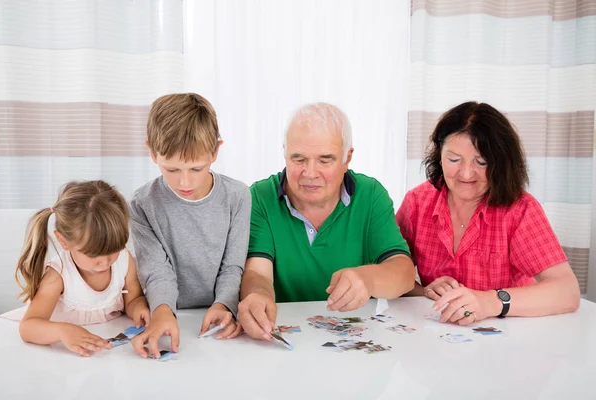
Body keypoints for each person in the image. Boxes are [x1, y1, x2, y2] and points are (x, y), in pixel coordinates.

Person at [239, 102, 415, 341]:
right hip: (284, 335)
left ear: (347, 157)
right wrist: (257, 295)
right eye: (298, 158)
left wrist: (367, 279)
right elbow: (257, 273)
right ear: (285, 152)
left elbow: (403, 273)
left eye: (325, 160)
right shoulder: (260, 196)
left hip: (356, 340)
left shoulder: (371, 195)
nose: (310, 173)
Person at [396, 101, 580, 325]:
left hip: (509, 340)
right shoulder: (418, 202)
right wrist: (423, 291)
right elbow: (391, 272)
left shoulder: (520, 209)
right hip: (437, 337)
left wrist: (489, 301)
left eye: (481, 161)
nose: (466, 173)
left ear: (501, 163)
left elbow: (567, 291)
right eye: (453, 159)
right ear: (439, 154)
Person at [130, 93, 251, 358]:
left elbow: (233, 266)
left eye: (196, 169)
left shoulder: (238, 196)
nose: (185, 182)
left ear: (215, 151)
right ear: (152, 152)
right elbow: (156, 269)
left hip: (218, 318)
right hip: (170, 313)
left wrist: (225, 304)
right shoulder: (142, 203)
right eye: (172, 170)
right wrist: (162, 310)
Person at [11, 180, 150, 357]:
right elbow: (28, 327)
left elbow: (133, 299)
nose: (105, 262)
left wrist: (139, 309)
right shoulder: (58, 274)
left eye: (114, 250)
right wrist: (63, 331)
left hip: (107, 348)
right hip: (54, 357)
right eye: (94, 255)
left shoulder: (124, 260)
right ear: (63, 241)